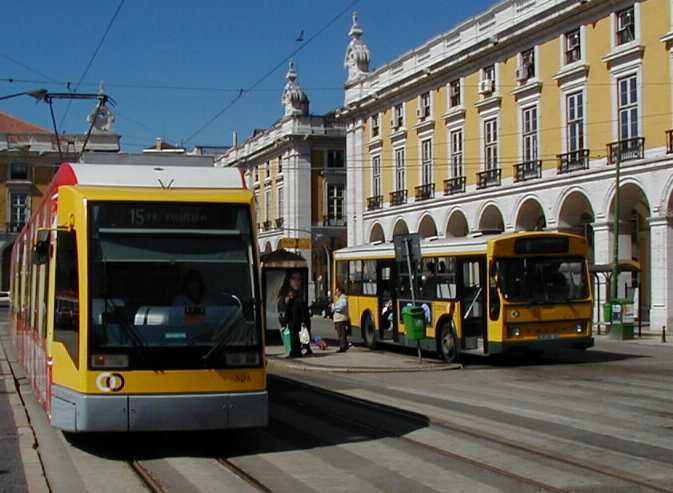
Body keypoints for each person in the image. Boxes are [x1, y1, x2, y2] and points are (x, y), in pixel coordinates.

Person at [285, 288, 312, 357]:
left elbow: (303, 313)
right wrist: (286, 321)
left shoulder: (299, 301)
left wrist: (303, 322)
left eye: (291, 294)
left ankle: (297, 352)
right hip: (292, 323)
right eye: (289, 294)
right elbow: (287, 312)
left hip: (298, 324)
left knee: (297, 339)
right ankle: (294, 352)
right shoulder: (290, 302)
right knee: (293, 339)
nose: (290, 296)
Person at [332, 285, 349, 352]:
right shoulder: (340, 298)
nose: (336, 293)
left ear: (340, 291)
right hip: (338, 319)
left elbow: (340, 308)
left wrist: (333, 307)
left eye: (337, 292)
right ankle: (344, 345)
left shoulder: (343, 298)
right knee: (340, 334)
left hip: (341, 319)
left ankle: (343, 347)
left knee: (341, 334)